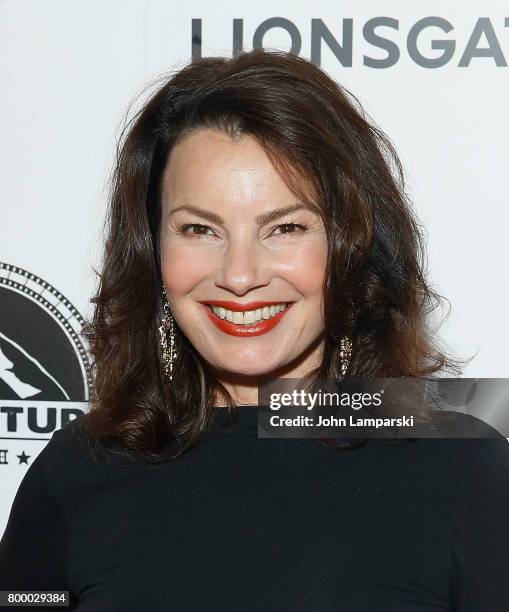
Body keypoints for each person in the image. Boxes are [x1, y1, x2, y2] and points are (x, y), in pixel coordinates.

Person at [1, 49, 508, 611]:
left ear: (352, 245)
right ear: (152, 253)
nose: (240, 276)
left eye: (285, 227)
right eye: (199, 229)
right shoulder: (75, 472)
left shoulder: (464, 467)